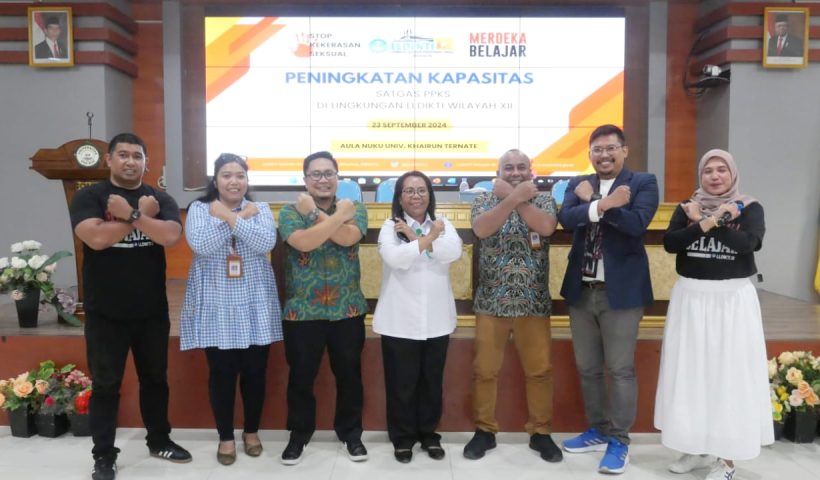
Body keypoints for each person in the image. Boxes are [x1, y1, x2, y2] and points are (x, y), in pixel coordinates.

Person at [69, 133, 191, 480]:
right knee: (106, 385)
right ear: (109, 159)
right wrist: (137, 218)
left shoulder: (159, 198)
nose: (130, 161)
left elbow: (169, 236)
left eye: (137, 156)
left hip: (151, 311)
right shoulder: (90, 196)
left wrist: (133, 213)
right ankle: (104, 455)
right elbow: (96, 238)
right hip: (105, 312)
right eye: (123, 155)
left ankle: (159, 440)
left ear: (146, 163)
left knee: (155, 379)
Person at [654, 149, 771, 480]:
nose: (715, 176)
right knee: (692, 376)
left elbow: (747, 244)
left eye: (721, 170)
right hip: (691, 300)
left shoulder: (749, 207)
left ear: (732, 174)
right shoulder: (686, 207)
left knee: (728, 377)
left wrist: (710, 221)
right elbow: (672, 243)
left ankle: (727, 459)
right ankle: (696, 447)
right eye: (708, 170)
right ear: (700, 175)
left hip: (731, 302)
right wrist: (701, 220)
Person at [557, 124, 658, 475]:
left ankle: (619, 439)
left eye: (610, 148)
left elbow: (636, 224)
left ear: (624, 150)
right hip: (582, 290)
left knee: (620, 369)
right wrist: (602, 204)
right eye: (597, 149)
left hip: (622, 293)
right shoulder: (578, 184)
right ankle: (598, 429)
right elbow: (566, 219)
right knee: (588, 368)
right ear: (589, 154)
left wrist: (597, 205)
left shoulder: (642, 182)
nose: (604, 155)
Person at [179, 153, 282, 466]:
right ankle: (225, 436)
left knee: (255, 373)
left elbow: (265, 243)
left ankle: (251, 432)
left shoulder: (260, 209)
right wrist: (235, 218)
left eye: (240, 176)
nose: (234, 181)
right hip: (216, 302)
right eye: (227, 175)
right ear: (216, 180)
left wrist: (229, 218)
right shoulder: (199, 209)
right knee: (222, 374)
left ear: (247, 180)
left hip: (254, 302)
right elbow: (201, 245)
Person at [463, 149, 562, 463]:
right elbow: (482, 229)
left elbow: (546, 228)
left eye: (521, 167)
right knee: (484, 371)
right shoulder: (484, 199)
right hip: (491, 301)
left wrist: (517, 197)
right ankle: (485, 431)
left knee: (540, 372)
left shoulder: (544, 200)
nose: (515, 172)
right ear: (499, 172)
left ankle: (540, 432)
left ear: (531, 171)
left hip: (533, 302)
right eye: (509, 167)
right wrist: (511, 198)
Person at [277, 151, 369, 465]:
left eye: (329, 173)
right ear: (305, 180)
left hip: (347, 309)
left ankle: (351, 434)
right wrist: (333, 217)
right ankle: (298, 436)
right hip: (302, 311)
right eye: (315, 174)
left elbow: (347, 238)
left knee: (350, 376)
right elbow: (303, 243)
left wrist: (316, 215)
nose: (323, 179)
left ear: (337, 177)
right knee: (301, 378)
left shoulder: (354, 208)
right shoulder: (290, 212)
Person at [373, 171, 463, 463]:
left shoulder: (443, 224)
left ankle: (428, 434)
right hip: (399, 320)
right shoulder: (390, 227)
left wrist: (417, 238)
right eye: (409, 191)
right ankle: (402, 439)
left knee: (431, 383)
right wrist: (429, 239)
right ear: (399, 198)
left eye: (421, 190)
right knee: (401, 385)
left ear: (430, 195)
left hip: (436, 319)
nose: (416, 196)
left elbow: (452, 252)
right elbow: (396, 259)